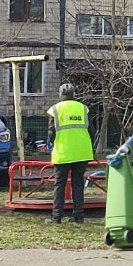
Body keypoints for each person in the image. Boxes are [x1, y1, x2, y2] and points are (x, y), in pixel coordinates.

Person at [47, 83, 92, 224]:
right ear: (74, 94)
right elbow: (92, 131)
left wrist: (53, 143)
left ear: (60, 95)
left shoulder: (55, 109)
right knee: (78, 184)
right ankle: (78, 216)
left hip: (63, 152)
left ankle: (56, 217)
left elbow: (51, 132)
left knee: (59, 185)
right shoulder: (83, 109)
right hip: (82, 152)